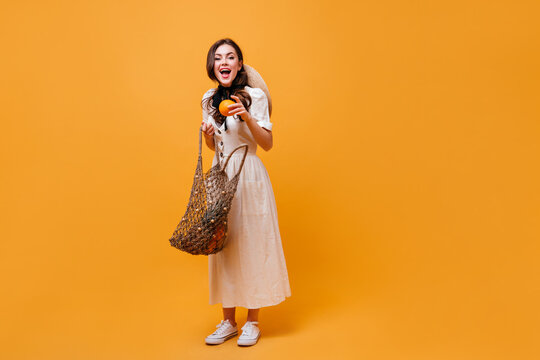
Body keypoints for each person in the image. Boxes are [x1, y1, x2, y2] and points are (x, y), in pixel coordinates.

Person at [200, 38, 291, 347]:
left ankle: (252, 321)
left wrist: (246, 115)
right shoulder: (208, 99)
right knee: (222, 245)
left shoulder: (254, 96)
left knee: (252, 242)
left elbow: (266, 144)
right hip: (220, 175)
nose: (224, 62)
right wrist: (208, 136)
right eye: (218, 58)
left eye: (230, 57)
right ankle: (227, 320)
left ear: (239, 65)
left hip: (249, 174)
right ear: (212, 66)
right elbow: (216, 146)